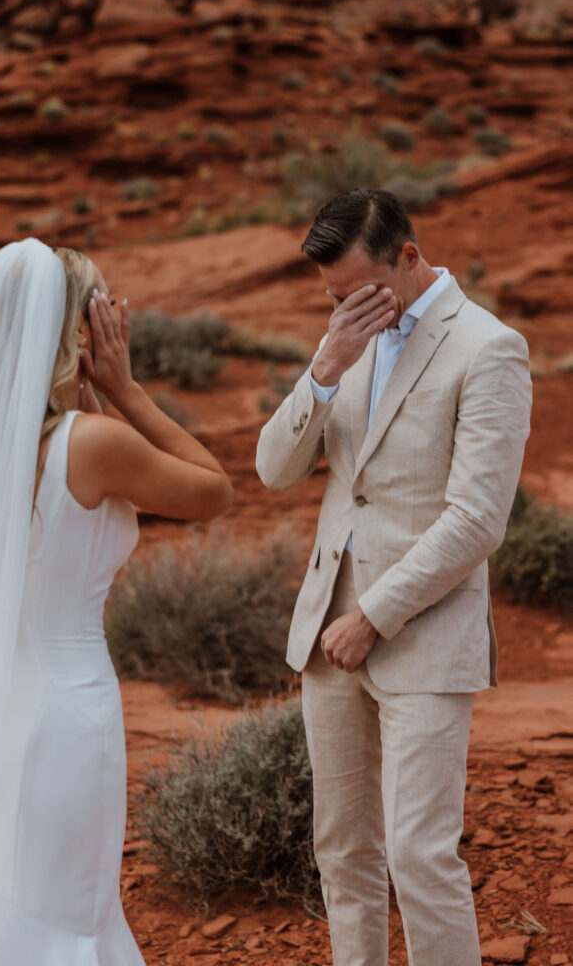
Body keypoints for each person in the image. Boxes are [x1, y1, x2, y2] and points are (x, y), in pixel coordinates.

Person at [0, 237, 232, 965]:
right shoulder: (94, 442)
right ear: (82, 332)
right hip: (68, 709)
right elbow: (213, 490)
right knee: (67, 912)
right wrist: (127, 389)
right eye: (105, 309)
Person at [256, 189, 532, 966]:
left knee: (417, 853)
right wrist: (323, 367)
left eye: (354, 290)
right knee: (342, 851)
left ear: (408, 258)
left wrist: (373, 614)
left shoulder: (488, 348)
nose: (341, 307)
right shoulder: (346, 342)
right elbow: (273, 471)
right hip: (325, 632)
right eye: (331, 297)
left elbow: (477, 520)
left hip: (418, 631)